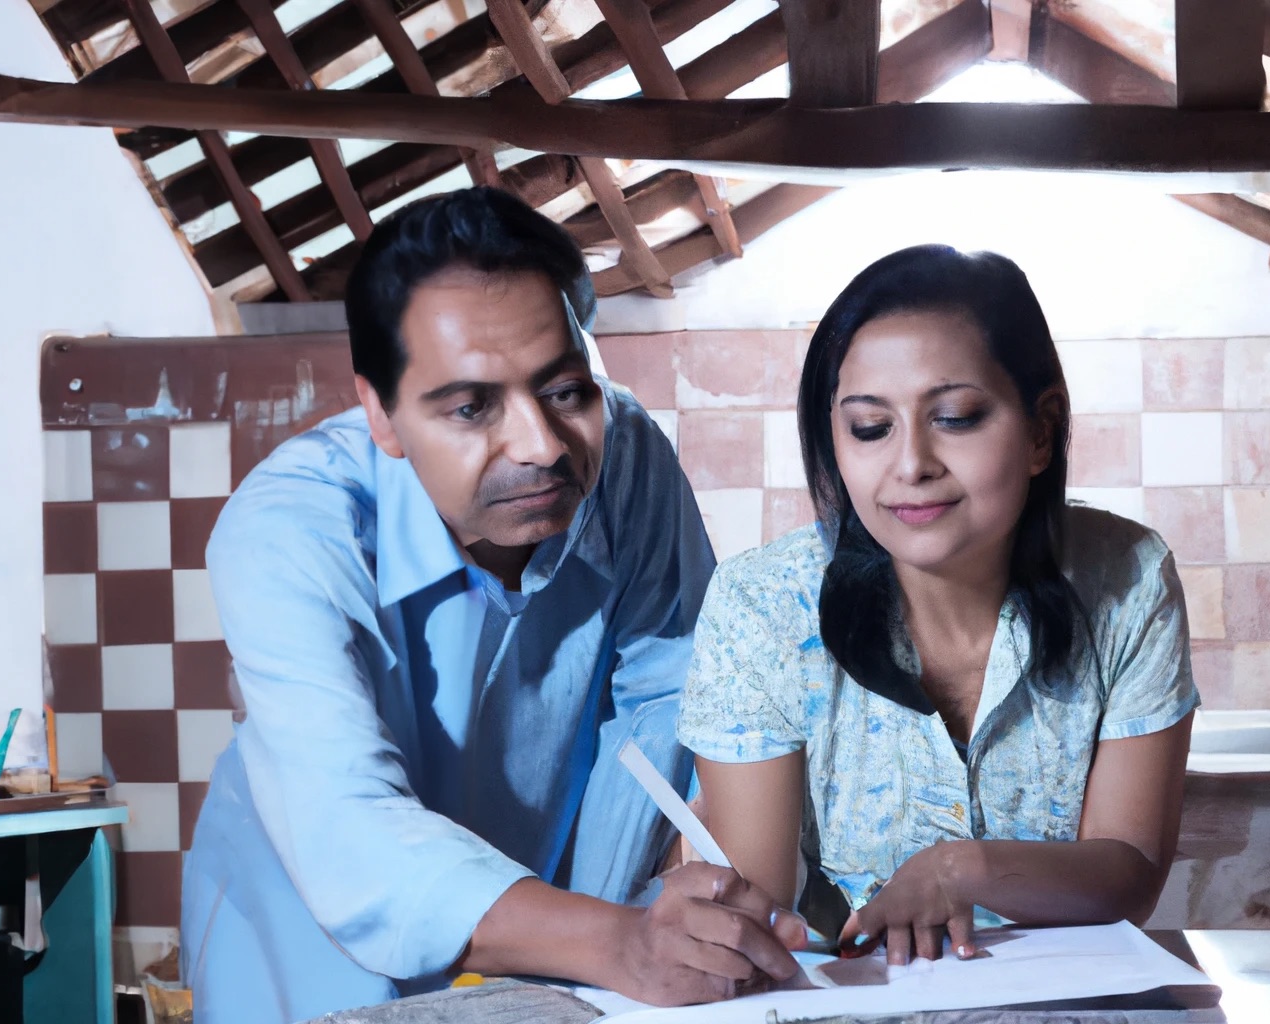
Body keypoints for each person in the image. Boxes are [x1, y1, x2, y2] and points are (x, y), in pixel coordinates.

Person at [180, 187, 804, 1023]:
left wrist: (673, 920)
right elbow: (347, 827)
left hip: (556, 933)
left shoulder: (628, 458)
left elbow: (672, 709)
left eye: (566, 392)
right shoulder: (287, 528)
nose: (541, 446)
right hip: (306, 929)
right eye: (472, 407)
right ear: (381, 413)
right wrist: (617, 942)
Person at [676, 245, 1198, 966]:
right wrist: (722, 914)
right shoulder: (759, 606)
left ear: (1042, 430)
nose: (911, 463)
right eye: (869, 428)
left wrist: (961, 870)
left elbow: (1131, 871)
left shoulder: (1128, 578)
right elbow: (758, 897)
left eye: (954, 417)